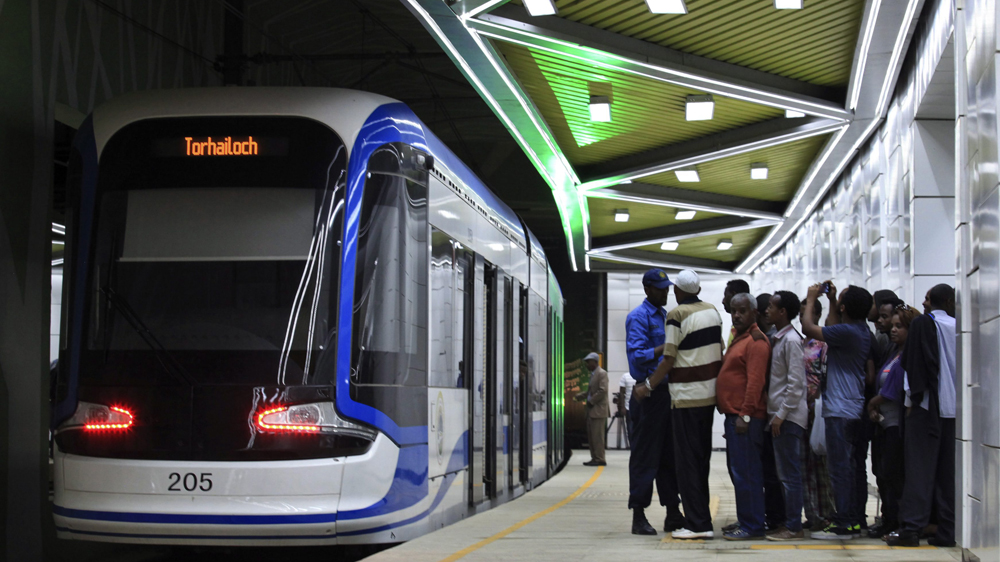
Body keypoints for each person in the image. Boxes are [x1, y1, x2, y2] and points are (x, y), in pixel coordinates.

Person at [635, 269, 723, 540]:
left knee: (686, 463)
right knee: (701, 460)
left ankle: (698, 524)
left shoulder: (676, 316)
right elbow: (719, 347)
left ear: (678, 291)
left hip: (685, 399)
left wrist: (646, 387)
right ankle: (702, 519)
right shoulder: (713, 312)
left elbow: (669, 359)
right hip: (708, 398)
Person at [887, 285, 957, 547]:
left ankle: (911, 530)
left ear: (936, 301)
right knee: (946, 475)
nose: (924, 303)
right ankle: (947, 531)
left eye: (926, 299)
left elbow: (913, 366)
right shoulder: (959, 326)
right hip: (954, 411)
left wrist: (911, 402)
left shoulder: (922, 325)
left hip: (926, 407)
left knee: (919, 471)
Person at [802, 281, 872, 539]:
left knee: (840, 469)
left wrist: (811, 298)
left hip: (841, 410)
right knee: (849, 468)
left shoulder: (850, 333)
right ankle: (852, 521)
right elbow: (832, 326)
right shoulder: (858, 329)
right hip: (850, 407)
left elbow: (808, 327)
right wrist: (832, 300)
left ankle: (842, 523)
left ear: (845, 307)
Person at [625, 269, 684, 535]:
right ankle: (639, 516)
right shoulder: (638, 317)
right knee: (645, 458)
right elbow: (638, 357)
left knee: (669, 456)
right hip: (647, 394)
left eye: (667, 287)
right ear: (647, 289)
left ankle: (673, 512)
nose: (666, 292)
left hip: (666, 393)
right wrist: (669, 345)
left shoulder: (665, 315)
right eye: (660, 288)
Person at [716, 293, 770, 540]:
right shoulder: (740, 338)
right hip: (735, 416)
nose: (736, 315)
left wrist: (745, 416)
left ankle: (752, 526)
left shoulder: (756, 342)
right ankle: (746, 519)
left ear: (754, 313)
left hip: (745, 418)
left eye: (742, 311)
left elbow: (755, 383)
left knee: (747, 473)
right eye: (733, 311)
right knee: (740, 473)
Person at [867, 304, 919, 539]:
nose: (894, 330)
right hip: (884, 423)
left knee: (894, 475)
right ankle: (888, 520)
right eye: (893, 325)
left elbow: (892, 390)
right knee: (885, 474)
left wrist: (872, 403)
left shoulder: (908, 356)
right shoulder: (893, 352)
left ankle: (899, 522)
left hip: (897, 425)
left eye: (900, 326)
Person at [764, 291, 807, 540]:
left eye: (771, 307)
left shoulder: (791, 340)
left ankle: (794, 527)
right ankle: (790, 523)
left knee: (790, 475)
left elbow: (796, 385)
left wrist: (779, 416)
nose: (767, 310)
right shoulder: (780, 339)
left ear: (783, 312)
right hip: (781, 416)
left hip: (788, 418)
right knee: (785, 475)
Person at [801, 298, 834, 530]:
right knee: (805, 466)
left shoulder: (823, 345)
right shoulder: (800, 343)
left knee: (821, 464)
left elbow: (825, 377)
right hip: (800, 411)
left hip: (816, 412)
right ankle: (812, 514)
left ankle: (826, 513)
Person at [756, 291, 784, 532]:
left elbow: (792, 383)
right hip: (767, 413)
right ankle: (772, 514)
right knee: (768, 470)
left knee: (775, 471)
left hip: (775, 414)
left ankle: (778, 517)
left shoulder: (778, 340)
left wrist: (779, 415)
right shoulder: (765, 337)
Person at [577, 352, 609, 467]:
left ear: (595, 362)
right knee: (592, 437)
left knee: (597, 437)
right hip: (592, 411)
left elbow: (602, 390)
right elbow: (591, 391)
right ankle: (594, 457)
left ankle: (600, 458)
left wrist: (591, 401)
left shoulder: (602, 373)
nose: (586, 365)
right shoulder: (593, 374)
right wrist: (580, 396)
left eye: (588, 362)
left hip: (598, 410)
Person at [724, 279, 751, 347]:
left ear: (734, 295)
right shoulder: (736, 328)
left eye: (725, 295)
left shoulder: (748, 332)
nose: (723, 301)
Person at [619, 372, 636, 441]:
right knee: (630, 431)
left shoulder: (642, 375)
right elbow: (621, 392)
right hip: (628, 408)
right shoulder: (625, 376)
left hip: (641, 408)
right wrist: (622, 407)